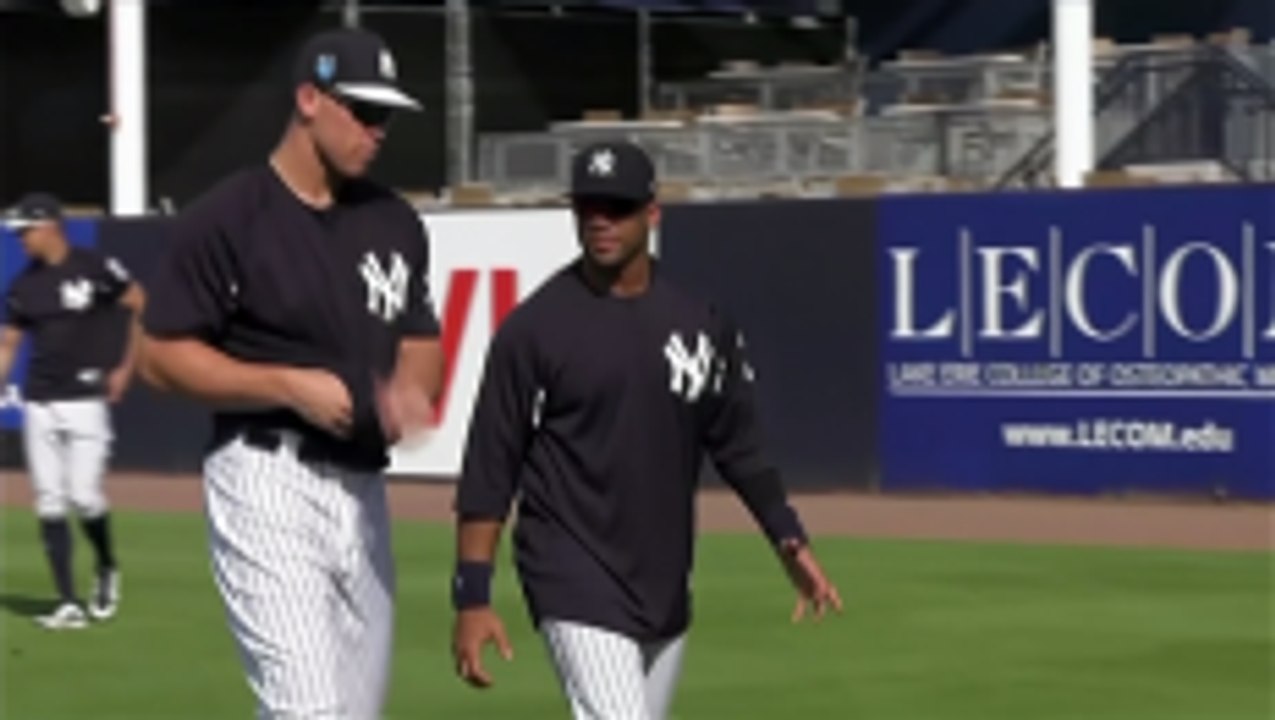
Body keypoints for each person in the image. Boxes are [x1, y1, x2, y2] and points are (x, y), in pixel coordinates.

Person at [450, 140, 843, 719]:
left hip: (661, 577)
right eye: (588, 207)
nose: (600, 221)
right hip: (569, 568)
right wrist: (473, 595)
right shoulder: (534, 330)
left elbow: (738, 442)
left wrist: (787, 536)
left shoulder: (699, 321)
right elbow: (491, 466)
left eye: (618, 207)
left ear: (652, 213)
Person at [138, 27, 442, 720]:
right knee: (308, 709)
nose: (377, 129)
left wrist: (412, 390)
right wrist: (285, 385)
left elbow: (421, 338)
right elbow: (160, 356)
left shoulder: (393, 222)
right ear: (308, 98)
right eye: (361, 111)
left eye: (385, 115)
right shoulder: (229, 217)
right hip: (265, 476)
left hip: (363, 490)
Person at [0, 192, 144, 630]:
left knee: (84, 496)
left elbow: (139, 303)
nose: (22, 239)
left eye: (27, 231)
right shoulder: (24, 285)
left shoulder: (94, 267)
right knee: (49, 500)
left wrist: (126, 366)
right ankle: (67, 602)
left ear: (49, 226)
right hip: (41, 400)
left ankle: (105, 566)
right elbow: (9, 342)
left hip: (86, 401)